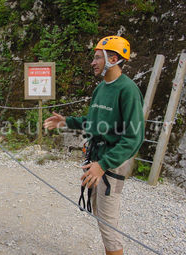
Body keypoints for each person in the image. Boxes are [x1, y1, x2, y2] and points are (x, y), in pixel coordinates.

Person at [44, 36, 144, 255]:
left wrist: (103, 164)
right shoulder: (101, 89)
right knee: (101, 216)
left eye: (98, 57)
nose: (93, 62)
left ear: (114, 58)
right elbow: (94, 123)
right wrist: (66, 121)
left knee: (108, 225)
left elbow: (133, 138)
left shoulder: (127, 90)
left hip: (113, 162)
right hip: (99, 157)